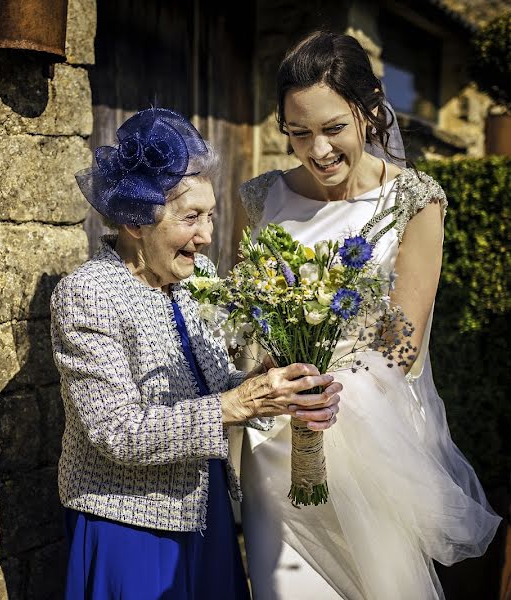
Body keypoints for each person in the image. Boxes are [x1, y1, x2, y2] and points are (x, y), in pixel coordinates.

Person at [237, 31, 501, 599]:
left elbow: (404, 345)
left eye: (333, 128)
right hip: (275, 446)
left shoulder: (415, 201)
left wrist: (327, 398)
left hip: (368, 440)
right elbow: (249, 316)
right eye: (299, 132)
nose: (318, 150)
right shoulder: (263, 198)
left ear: (371, 109)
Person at [51, 107, 343, 600]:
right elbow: (115, 432)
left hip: (205, 511)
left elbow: (215, 386)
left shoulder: (192, 283)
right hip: (131, 526)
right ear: (135, 220)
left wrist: (265, 383)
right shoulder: (88, 293)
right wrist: (237, 405)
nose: (207, 236)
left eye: (210, 216)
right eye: (191, 218)